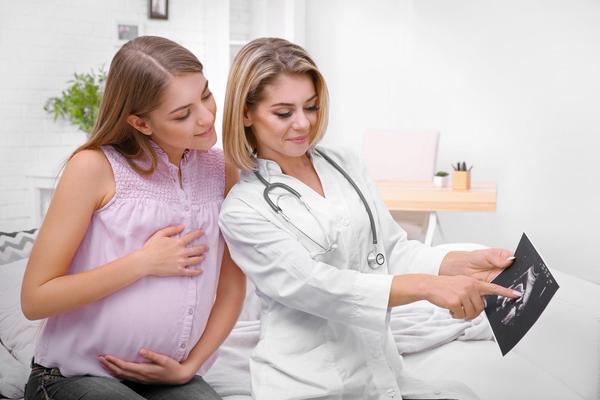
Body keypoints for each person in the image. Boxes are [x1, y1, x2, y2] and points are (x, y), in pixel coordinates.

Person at [218, 37, 522, 400]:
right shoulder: (243, 208)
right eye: (284, 113)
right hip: (310, 384)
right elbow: (317, 286)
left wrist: (458, 263)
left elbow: (389, 251)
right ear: (246, 114)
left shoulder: (344, 164)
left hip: (382, 371)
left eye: (311, 107)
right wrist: (427, 286)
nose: (303, 123)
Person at [20, 36, 245, 400]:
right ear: (141, 123)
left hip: (168, 377)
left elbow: (233, 288)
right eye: (182, 114)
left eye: (205, 95)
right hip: (73, 375)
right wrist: (143, 263)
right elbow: (35, 299)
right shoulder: (94, 167)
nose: (206, 117)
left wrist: (189, 367)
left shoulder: (223, 171)